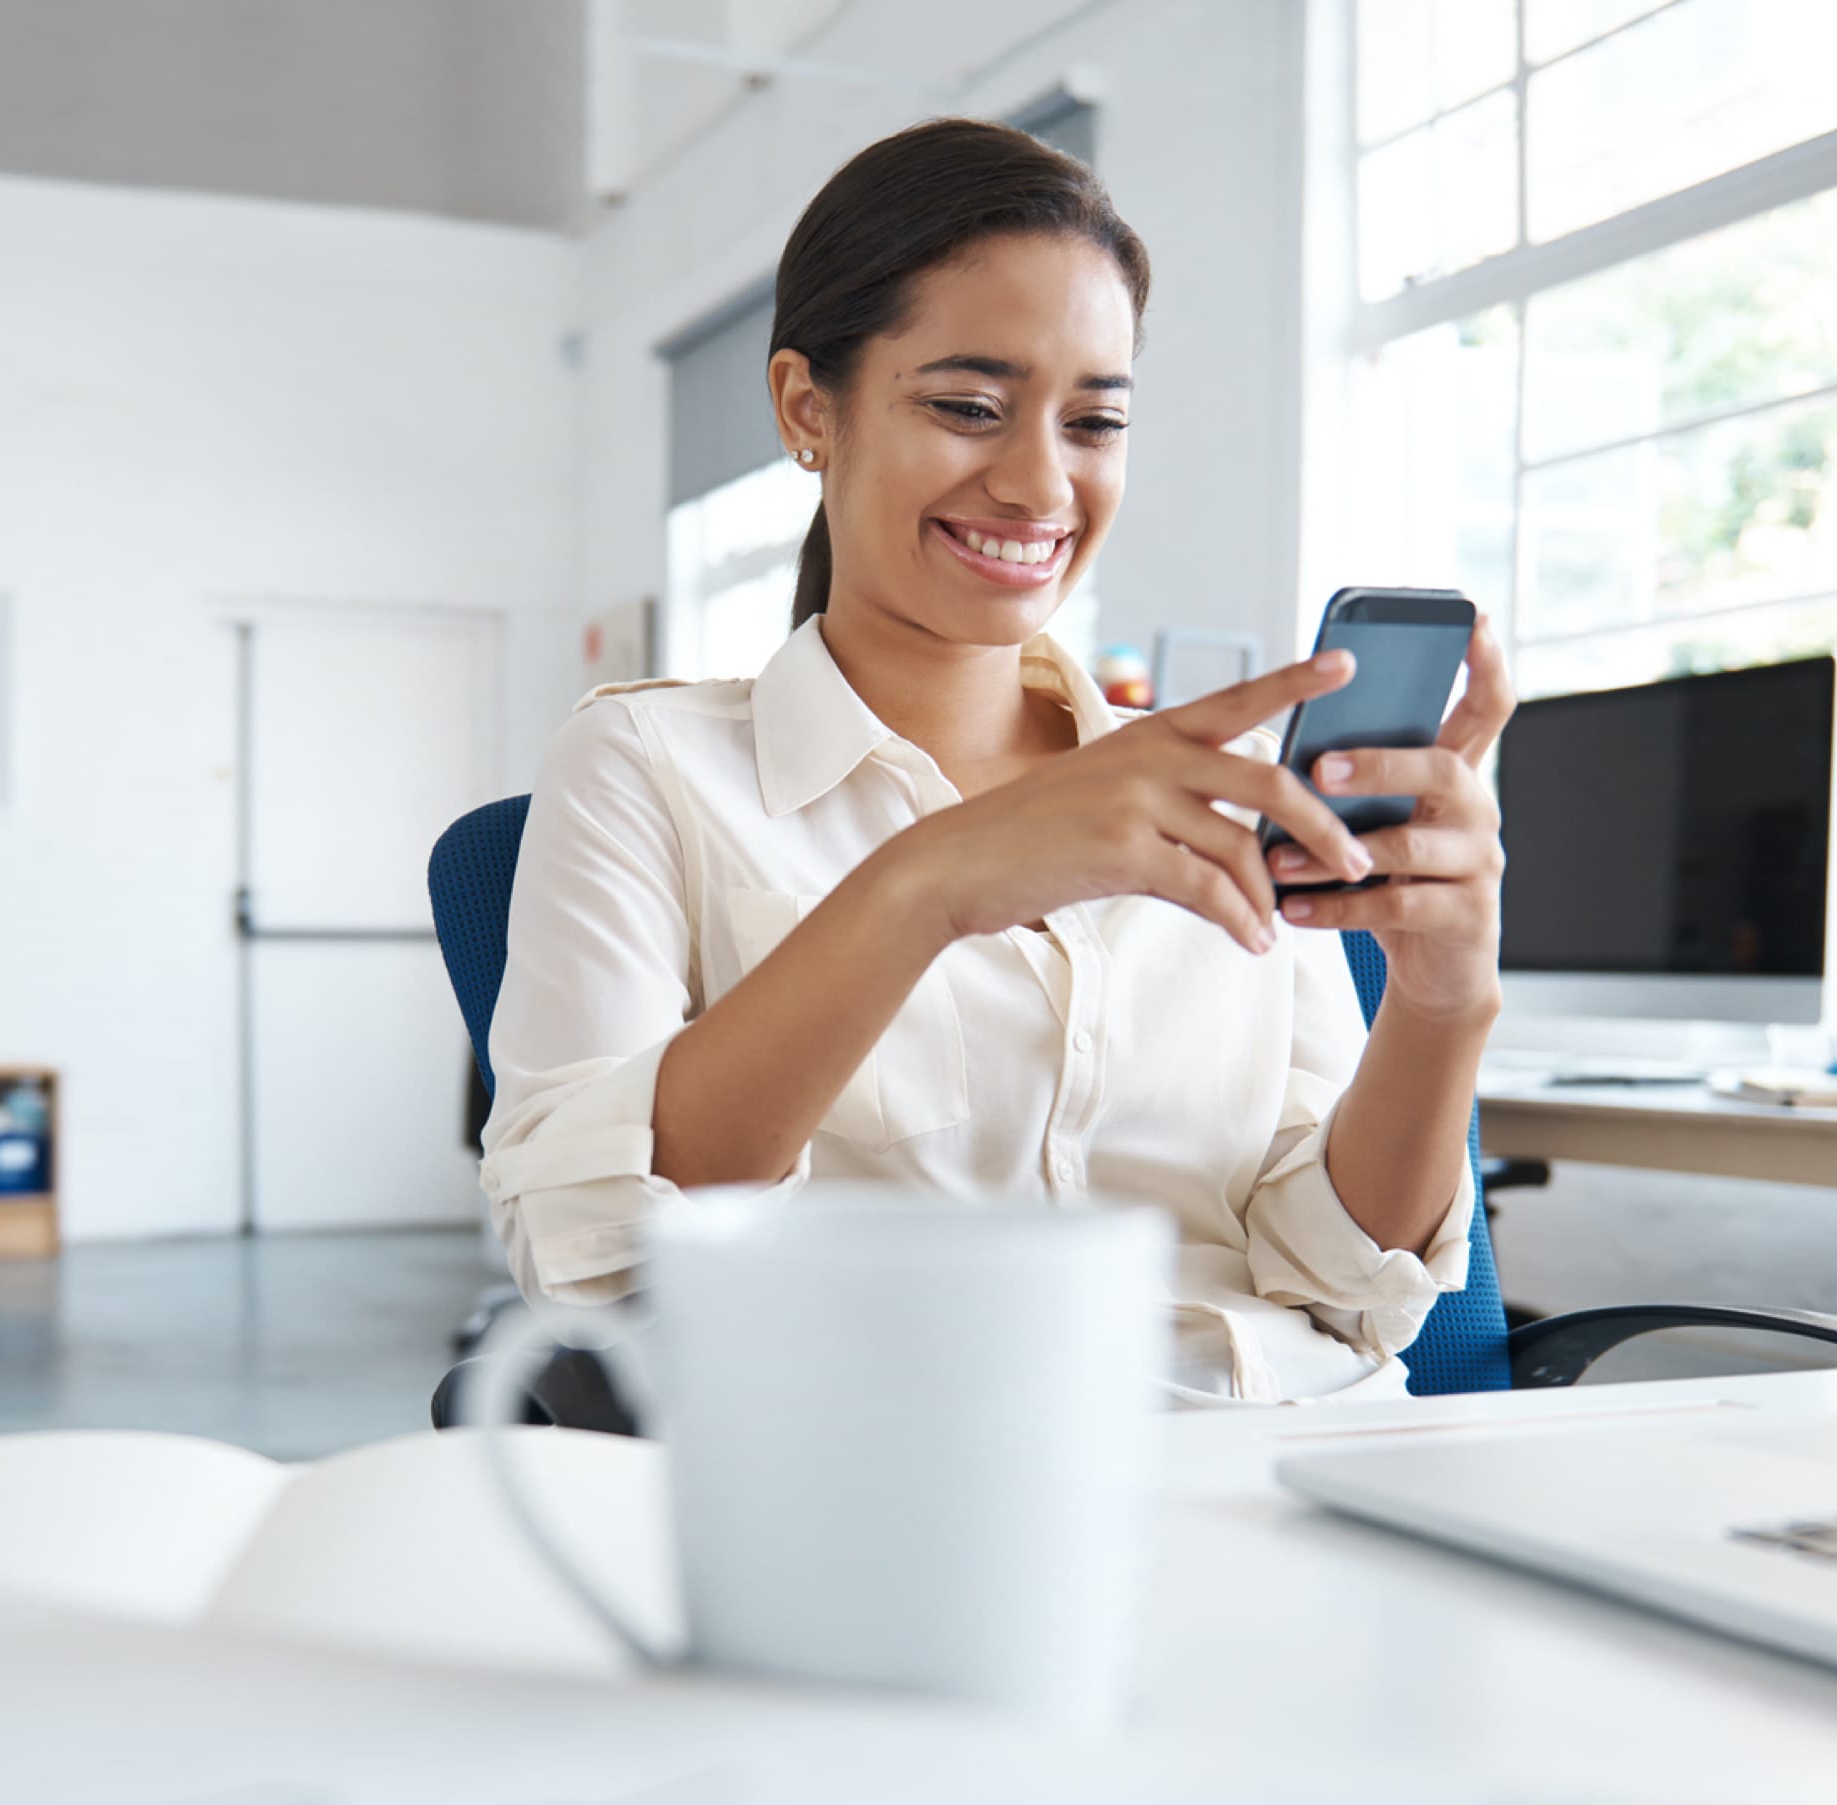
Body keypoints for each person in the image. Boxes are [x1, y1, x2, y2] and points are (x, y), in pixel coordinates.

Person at [477, 117, 1512, 1406]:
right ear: (810, 407)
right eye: (970, 407)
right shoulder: (647, 765)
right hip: (926, 1482)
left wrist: (1443, 1003)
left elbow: (1341, 1281)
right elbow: (590, 1254)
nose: (1038, 485)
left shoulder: (1225, 785)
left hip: (1288, 1454)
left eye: (1093, 422)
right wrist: (927, 886)